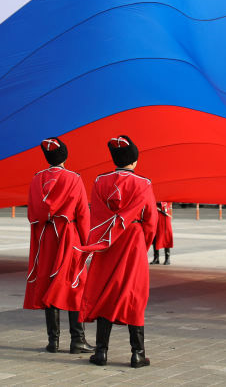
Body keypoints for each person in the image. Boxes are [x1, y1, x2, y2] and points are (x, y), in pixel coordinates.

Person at [80, 135, 157, 369]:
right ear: (134, 161)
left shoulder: (100, 181)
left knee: (105, 292)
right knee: (134, 294)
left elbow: (96, 216)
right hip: (132, 240)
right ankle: (137, 354)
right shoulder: (143, 183)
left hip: (107, 243)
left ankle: (101, 352)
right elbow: (151, 221)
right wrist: (143, 245)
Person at [23, 137, 93, 354]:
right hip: (68, 236)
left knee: (47, 283)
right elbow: (82, 213)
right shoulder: (74, 179)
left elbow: (32, 212)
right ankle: (77, 339)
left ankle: (53, 341)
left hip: (45, 239)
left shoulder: (37, 179)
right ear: (65, 156)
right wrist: (86, 243)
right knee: (75, 284)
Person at [150, 201, 173, 265]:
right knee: (155, 238)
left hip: (164, 219)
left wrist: (160, 203)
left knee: (166, 238)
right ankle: (156, 258)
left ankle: (167, 258)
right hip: (156, 218)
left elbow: (166, 204)